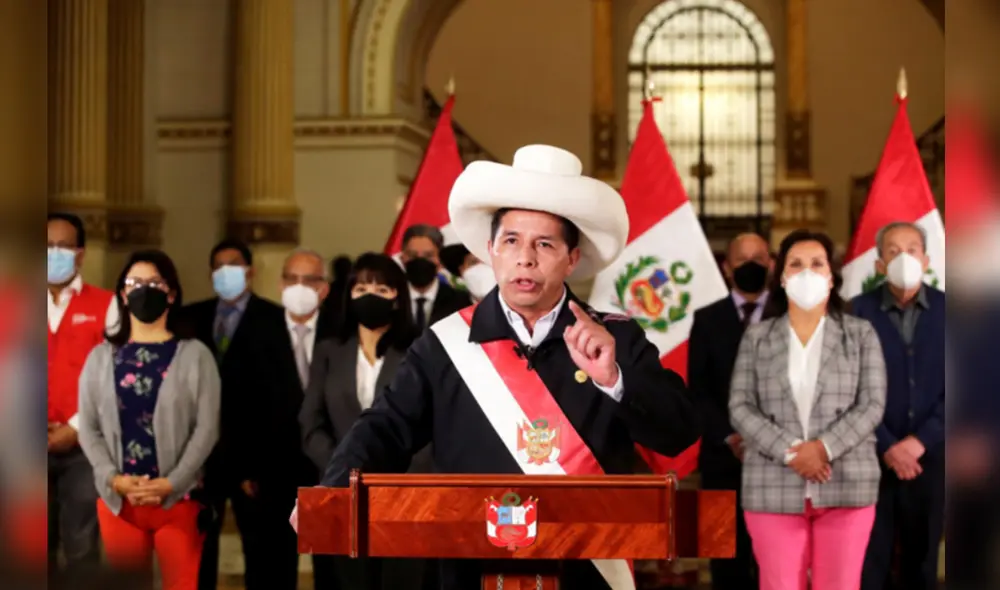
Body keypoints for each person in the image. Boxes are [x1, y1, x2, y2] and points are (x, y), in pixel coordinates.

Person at [299, 144, 701, 590]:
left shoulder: (616, 338)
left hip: (588, 572)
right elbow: (386, 426)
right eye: (511, 241)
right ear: (491, 249)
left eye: (544, 244)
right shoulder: (445, 343)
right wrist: (333, 489)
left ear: (572, 258)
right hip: (469, 567)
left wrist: (616, 380)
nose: (525, 258)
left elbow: (679, 431)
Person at [728, 229, 886, 590]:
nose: (806, 273)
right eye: (795, 265)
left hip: (847, 482)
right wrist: (792, 452)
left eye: (817, 264)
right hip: (772, 485)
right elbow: (740, 406)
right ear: (781, 278)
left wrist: (823, 448)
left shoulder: (861, 334)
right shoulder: (757, 337)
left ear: (831, 277)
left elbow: (872, 404)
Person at [76, 250, 220, 590]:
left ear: (171, 294)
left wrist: (172, 482)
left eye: (154, 283)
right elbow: (89, 426)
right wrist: (113, 479)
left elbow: (207, 427)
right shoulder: (100, 357)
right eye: (135, 283)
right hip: (120, 501)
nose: (144, 290)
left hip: (178, 499)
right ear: (123, 295)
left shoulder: (195, 355)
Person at [300, 252, 428, 589]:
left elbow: (428, 425)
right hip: (342, 495)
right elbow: (311, 423)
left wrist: (392, 478)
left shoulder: (418, 351)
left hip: (402, 496)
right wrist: (347, 470)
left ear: (399, 297)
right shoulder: (330, 350)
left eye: (382, 289)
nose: (370, 296)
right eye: (361, 289)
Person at [178, 238, 284, 590]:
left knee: (260, 551)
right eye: (219, 266)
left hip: (251, 458)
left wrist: (261, 464)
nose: (226, 273)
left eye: (234, 265)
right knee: (198, 550)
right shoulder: (190, 318)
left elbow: (278, 395)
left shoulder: (275, 320)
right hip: (201, 458)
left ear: (250, 272)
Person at [854, 222, 944, 590]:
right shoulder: (856, 312)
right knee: (869, 562)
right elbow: (849, 387)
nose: (903, 257)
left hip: (934, 459)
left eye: (911, 249)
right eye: (893, 251)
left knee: (921, 564)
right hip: (870, 458)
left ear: (925, 258)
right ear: (879, 264)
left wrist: (920, 441)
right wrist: (888, 444)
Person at [242, 248, 336, 590]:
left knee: (332, 568)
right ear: (281, 284)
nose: (300, 287)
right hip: (271, 472)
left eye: (309, 280)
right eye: (292, 279)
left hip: (327, 472)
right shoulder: (255, 332)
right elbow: (240, 404)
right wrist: (246, 467)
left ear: (323, 288)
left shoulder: (339, 332)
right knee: (271, 568)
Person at [688, 232, 771, 590]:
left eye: (759, 258)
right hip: (723, 457)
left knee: (773, 556)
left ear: (771, 264)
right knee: (725, 553)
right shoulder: (707, 319)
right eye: (742, 259)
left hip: (780, 460)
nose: (750, 265)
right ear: (727, 268)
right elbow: (699, 390)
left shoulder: (792, 313)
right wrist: (732, 437)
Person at [46, 212, 120, 583]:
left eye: (62, 246)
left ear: (80, 253)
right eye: (46, 246)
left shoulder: (106, 305)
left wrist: (75, 428)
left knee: (81, 547)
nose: (53, 253)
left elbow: (113, 377)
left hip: (84, 448)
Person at [399, 224, 472, 331]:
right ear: (402, 258)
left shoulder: (462, 303)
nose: (420, 261)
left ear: (440, 260)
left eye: (428, 255)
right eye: (413, 255)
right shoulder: (390, 301)